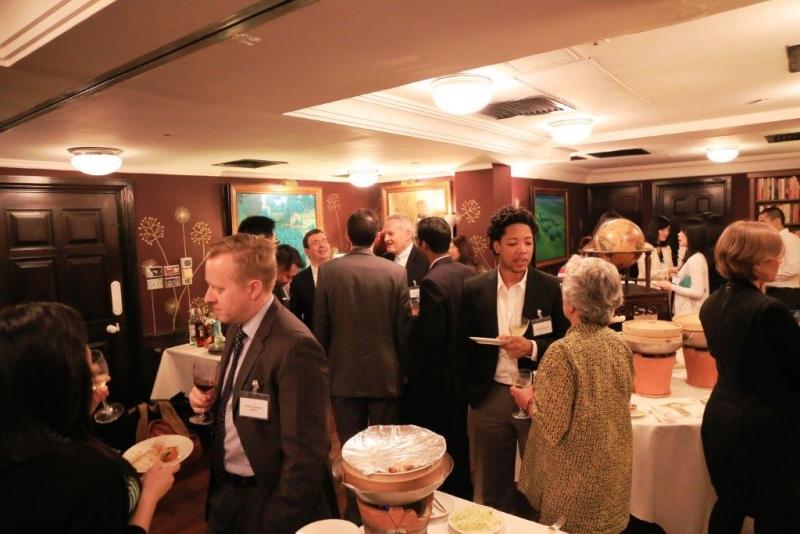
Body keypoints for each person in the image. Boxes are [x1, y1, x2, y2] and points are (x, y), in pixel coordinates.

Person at [189, 234, 331, 534]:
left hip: (266, 499)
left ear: (253, 288)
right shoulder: (237, 323)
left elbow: (306, 457)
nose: (207, 297)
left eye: (219, 288)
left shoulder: (295, 346)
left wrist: (275, 522)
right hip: (227, 490)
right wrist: (214, 398)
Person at [0, 302, 177, 534]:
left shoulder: (20, 441)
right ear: (62, 380)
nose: (98, 371)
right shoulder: (91, 478)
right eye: (88, 365)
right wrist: (149, 496)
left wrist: (81, 409)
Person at [458, 205, 569, 514]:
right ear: (496, 246)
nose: (523, 250)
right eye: (513, 243)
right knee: (493, 483)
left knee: (540, 482)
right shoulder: (474, 289)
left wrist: (532, 348)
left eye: (529, 242)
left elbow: (565, 341)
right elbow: (461, 345)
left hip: (537, 394)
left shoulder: (549, 287)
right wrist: (472, 396)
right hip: (490, 395)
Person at [511, 256, 633, 534]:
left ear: (571, 304)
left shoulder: (563, 352)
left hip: (575, 482)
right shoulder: (619, 344)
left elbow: (553, 428)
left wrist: (527, 400)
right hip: (612, 470)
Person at [699, 221, 800, 533]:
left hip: (720, 418)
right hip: (764, 425)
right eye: (775, 257)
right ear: (756, 262)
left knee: (730, 502)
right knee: (778, 511)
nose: (780, 262)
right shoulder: (770, 310)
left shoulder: (711, 303)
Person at [314, 209, 410, 521]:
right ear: (377, 237)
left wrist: (326, 368)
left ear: (347, 236)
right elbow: (402, 329)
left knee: (350, 448)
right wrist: (404, 368)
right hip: (385, 372)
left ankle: (355, 511)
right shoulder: (394, 272)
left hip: (343, 374)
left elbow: (321, 327)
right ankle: (387, 508)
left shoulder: (328, 271)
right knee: (384, 446)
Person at [408, 217, 476, 499]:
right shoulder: (469, 271)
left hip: (441, 376)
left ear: (422, 244)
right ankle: (466, 489)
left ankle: (451, 493)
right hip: (467, 369)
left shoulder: (432, 280)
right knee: (463, 436)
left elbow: (433, 336)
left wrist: (415, 320)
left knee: (446, 438)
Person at [656, 221, 709, 316]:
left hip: (691, 315)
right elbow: (687, 283)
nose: (678, 234)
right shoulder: (694, 257)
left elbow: (697, 292)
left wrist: (671, 286)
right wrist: (673, 279)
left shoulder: (695, 260)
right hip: (686, 313)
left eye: (683, 232)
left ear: (693, 237)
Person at [289, 229, 331, 332]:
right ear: (307, 251)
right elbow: (295, 316)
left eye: (324, 241)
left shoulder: (343, 273)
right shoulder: (299, 280)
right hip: (314, 339)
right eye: (315, 243)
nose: (322, 245)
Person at [758, 206, 800, 309]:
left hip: (786, 292)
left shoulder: (790, 239)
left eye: (763, 222)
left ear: (777, 221)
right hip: (772, 292)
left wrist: (767, 275)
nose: (760, 226)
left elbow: (796, 268)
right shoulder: (772, 240)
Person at [383, 214, 429, 287]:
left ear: (408, 235)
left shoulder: (424, 260)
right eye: (384, 234)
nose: (385, 239)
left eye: (390, 234)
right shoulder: (383, 259)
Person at [637, 215, 673, 283]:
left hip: (665, 289)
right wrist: (667, 271)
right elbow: (645, 274)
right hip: (648, 288)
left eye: (668, 230)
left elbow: (671, 272)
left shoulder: (667, 248)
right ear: (654, 229)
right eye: (662, 230)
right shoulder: (644, 247)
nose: (666, 233)